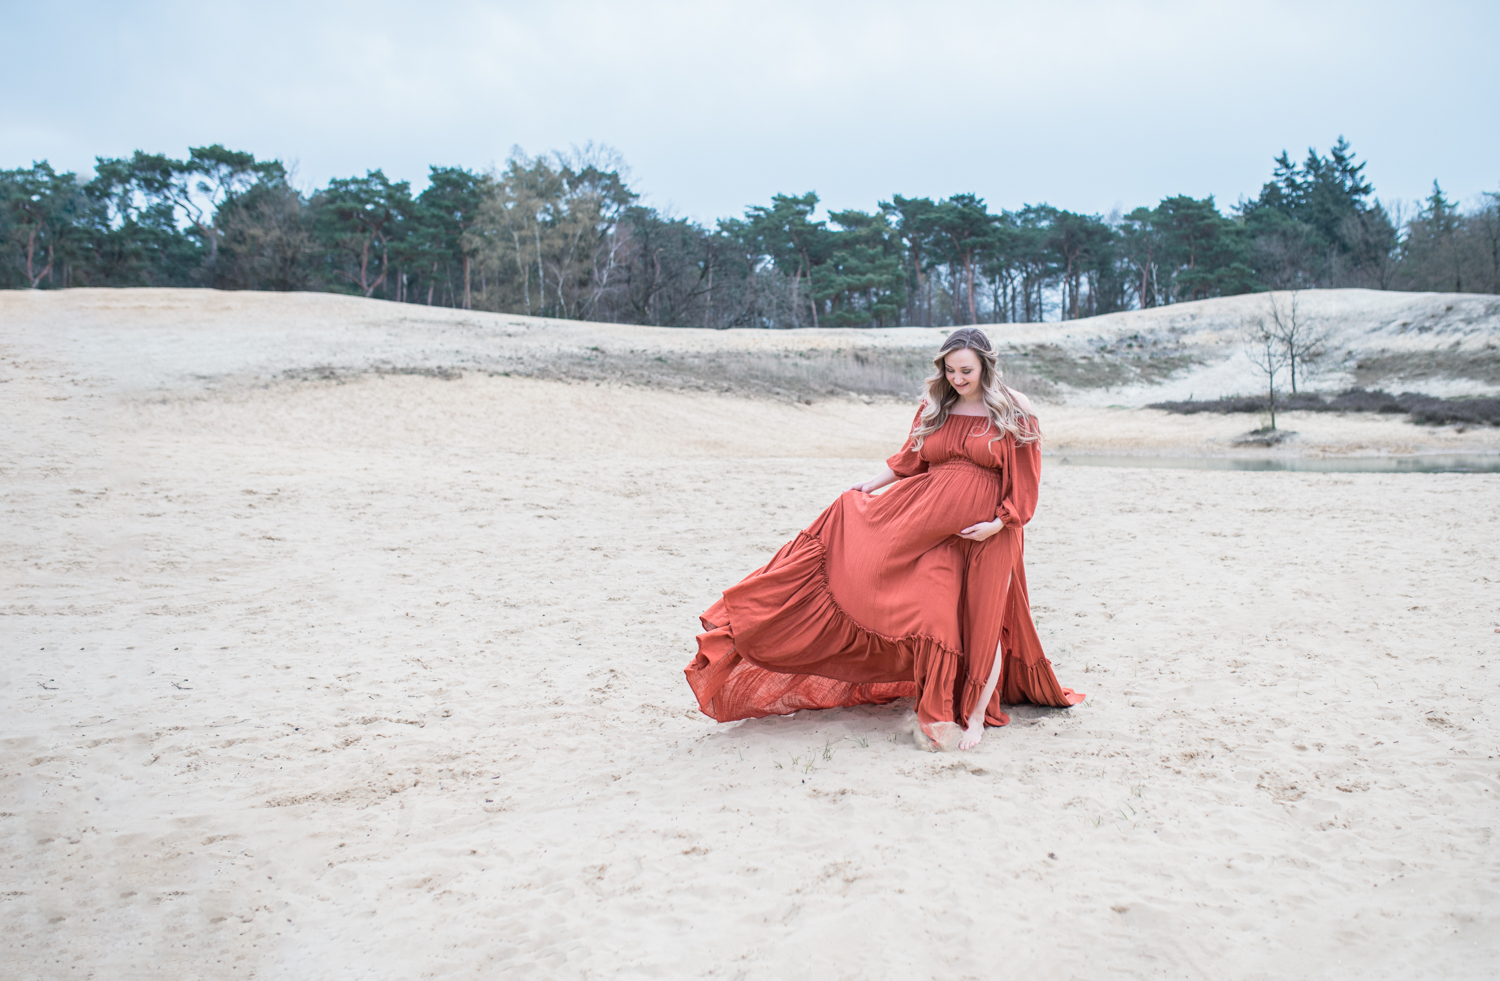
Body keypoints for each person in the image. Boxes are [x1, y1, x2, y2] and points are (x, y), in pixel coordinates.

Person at [684, 327, 1083, 751]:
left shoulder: (1014, 408)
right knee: (935, 614)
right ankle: (939, 704)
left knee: (985, 620)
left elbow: (1026, 481)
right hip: (928, 525)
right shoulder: (936, 406)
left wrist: (1000, 524)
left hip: (989, 532)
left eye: (965, 370)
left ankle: (977, 717)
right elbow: (911, 460)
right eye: (949, 370)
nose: (957, 378)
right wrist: (868, 487)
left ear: (986, 363)